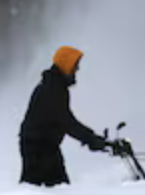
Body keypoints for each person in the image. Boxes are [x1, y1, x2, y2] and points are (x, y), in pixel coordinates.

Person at [19, 46, 108, 186]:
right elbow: (66, 121)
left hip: (42, 144)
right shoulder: (53, 89)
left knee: (44, 190)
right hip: (38, 147)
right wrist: (90, 138)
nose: (77, 69)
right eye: (75, 65)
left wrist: (90, 138)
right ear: (66, 64)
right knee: (48, 189)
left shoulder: (55, 85)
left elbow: (64, 119)